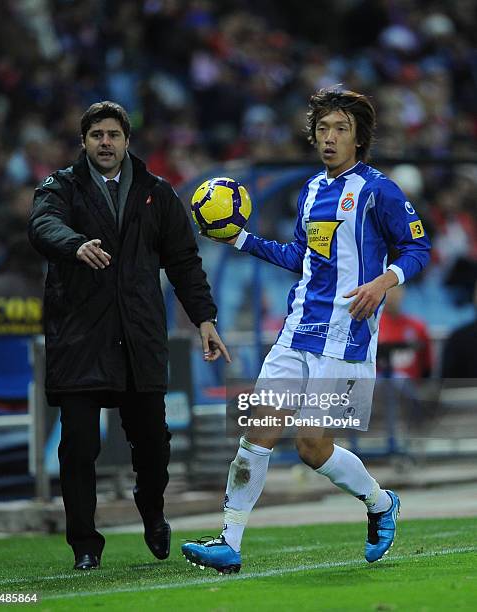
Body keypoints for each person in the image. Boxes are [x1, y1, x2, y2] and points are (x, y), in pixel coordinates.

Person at [182, 88, 431, 573]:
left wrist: (384, 281)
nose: (329, 138)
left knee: (312, 445)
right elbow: (301, 258)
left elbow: (417, 249)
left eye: (340, 128)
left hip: (347, 336)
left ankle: (380, 503)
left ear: (359, 137)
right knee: (256, 431)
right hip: (297, 330)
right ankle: (228, 541)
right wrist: (241, 239)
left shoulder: (380, 190)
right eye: (322, 129)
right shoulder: (312, 191)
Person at [28, 101, 230, 571]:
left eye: (113, 135)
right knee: (78, 448)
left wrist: (204, 317)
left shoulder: (157, 192)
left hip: (138, 336)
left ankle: (153, 514)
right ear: (83, 141)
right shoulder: (61, 187)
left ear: (126, 141)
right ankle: (84, 545)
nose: (105, 142)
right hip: (80, 338)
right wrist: (75, 244)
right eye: (96, 134)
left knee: (154, 445)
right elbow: (41, 226)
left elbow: (183, 261)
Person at [378, 284, 433, 379]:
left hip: (411, 386)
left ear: (402, 293)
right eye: (388, 292)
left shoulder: (417, 326)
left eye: (395, 291)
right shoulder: (373, 327)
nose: (392, 296)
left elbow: (427, 364)